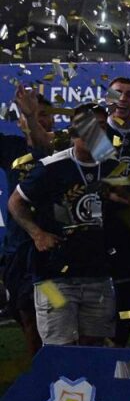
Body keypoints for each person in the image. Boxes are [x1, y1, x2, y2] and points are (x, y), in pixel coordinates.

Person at [6, 104, 122, 346]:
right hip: (52, 277)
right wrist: (37, 234)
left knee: (95, 349)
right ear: (73, 131)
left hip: (97, 275)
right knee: (60, 348)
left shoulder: (112, 167)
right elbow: (15, 202)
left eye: (101, 127)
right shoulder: (51, 167)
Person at [0, 87, 55, 355]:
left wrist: (32, 117)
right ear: (19, 119)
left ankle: (54, 364)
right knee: (24, 313)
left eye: (46, 114)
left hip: (52, 247)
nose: (40, 118)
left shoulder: (63, 145)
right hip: (18, 249)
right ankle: (39, 366)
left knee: (54, 311)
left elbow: (42, 146)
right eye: (33, 114)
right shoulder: (10, 147)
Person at [104, 76, 130, 346]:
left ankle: (120, 345)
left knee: (128, 293)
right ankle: (94, 350)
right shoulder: (94, 134)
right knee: (97, 291)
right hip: (98, 226)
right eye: (117, 93)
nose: (122, 99)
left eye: (129, 95)